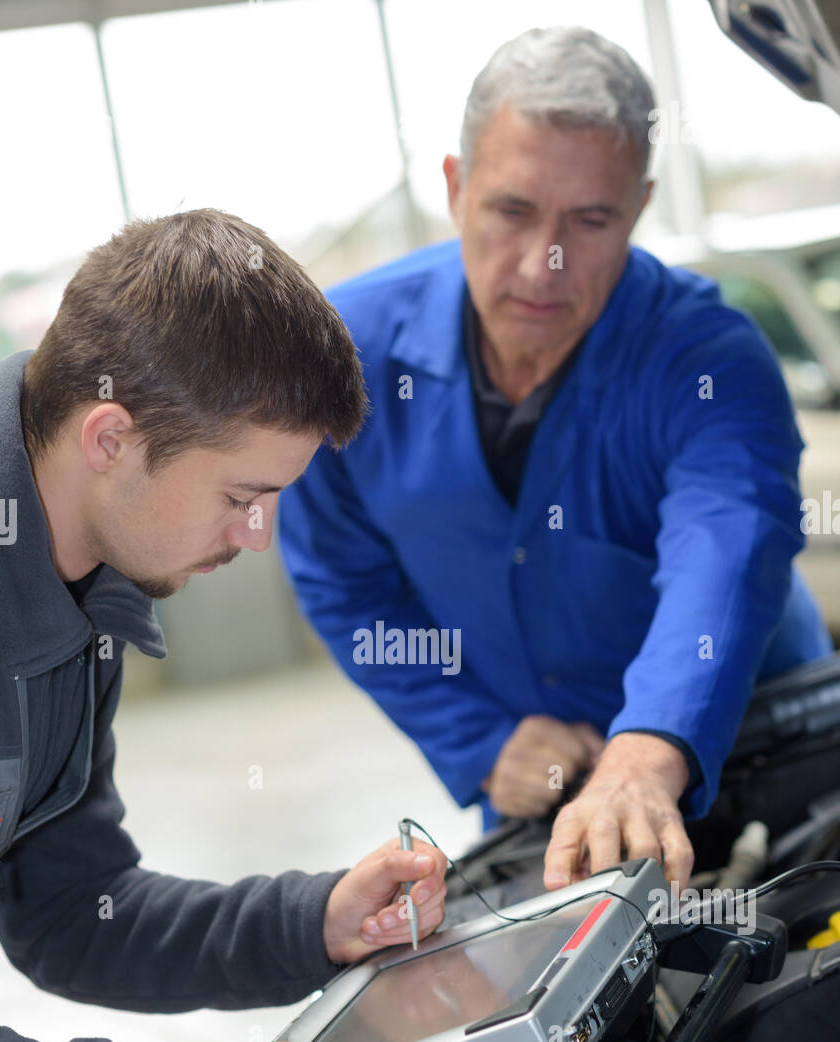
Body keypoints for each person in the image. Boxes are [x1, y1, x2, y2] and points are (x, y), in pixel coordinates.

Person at [278, 25, 832, 899]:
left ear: (639, 206)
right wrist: (480, 741)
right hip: (541, 787)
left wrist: (648, 747)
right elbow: (348, 586)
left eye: (590, 219)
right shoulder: (338, 357)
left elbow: (726, 550)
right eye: (512, 210)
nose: (544, 264)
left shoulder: (708, 357)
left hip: (772, 745)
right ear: (456, 189)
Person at [0, 208, 448, 1042]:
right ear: (114, 436)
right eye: (242, 494)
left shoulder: (80, 579)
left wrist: (310, 921)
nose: (258, 534)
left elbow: (69, 912)